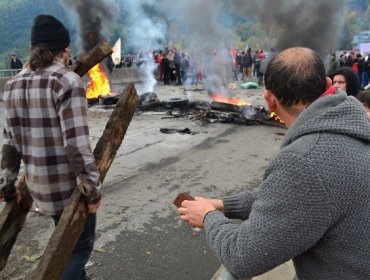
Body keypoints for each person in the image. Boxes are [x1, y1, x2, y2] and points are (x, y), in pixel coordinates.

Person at [178, 47, 370, 279]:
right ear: (328, 83)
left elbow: (242, 256)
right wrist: (222, 204)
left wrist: (208, 216)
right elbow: (289, 197)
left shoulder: (304, 160)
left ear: (270, 100)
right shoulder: (354, 127)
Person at [0, 14, 102, 280]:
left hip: (39, 189)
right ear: (64, 49)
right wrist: (93, 192)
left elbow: (9, 145)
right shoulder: (67, 81)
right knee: (77, 250)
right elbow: (76, 146)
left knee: (66, 243)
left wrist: (7, 187)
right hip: (69, 191)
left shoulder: (12, 86)